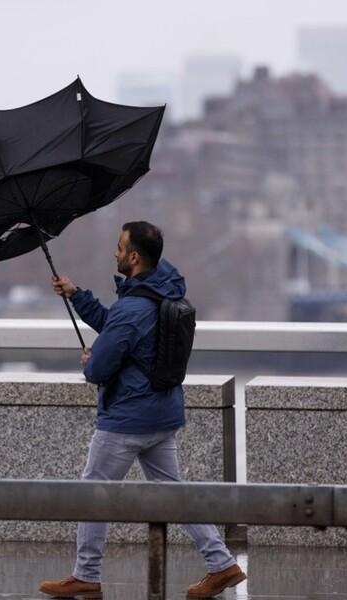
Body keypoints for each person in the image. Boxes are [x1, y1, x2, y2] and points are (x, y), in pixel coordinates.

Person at [39, 221, 246, 599]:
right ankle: (222, 564)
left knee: (93, 493)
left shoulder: (132, 307)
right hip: (162, 414)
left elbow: (101, 366)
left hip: (127, 420)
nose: (114, 254)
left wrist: (89, 363)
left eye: (119, 248)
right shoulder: (160, 293)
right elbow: (121, 331)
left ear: (133, 257)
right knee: (174, 493)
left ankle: (85, 575)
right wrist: (77, 295)